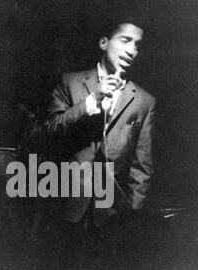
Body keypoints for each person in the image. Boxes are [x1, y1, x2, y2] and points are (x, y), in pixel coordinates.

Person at [46, 17, 156, 227]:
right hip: (63, 204)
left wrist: (131, 218)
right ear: (104, 43)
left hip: (110, 216)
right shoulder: (69, 82)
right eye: (126, 40)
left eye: (137, 45)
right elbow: (49, 133)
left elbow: (142, 170)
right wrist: (91, 101)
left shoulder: (144, 101)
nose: (132, 50)